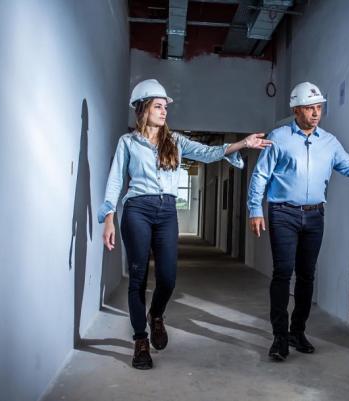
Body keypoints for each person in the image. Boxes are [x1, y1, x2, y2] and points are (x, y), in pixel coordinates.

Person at [98, 79, 271, 369]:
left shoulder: (175, 141)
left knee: (168, 278)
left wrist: (243, 143)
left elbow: (207, 152)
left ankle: (156, 315)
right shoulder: (127, 142)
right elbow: (116, 180)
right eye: (158, 106)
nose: (164, 111)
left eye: (165, 107)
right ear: (142, 108)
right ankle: (140, 341)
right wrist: (108, 218)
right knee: (138, 277)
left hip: (167, 211)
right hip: (137, 209)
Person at [247, 82, 349, 361]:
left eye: (318, 107)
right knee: (283, 273)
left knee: (307, 275)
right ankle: (279, 337)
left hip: (314, 215)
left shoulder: (329, 142)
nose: (315, 113)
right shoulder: (279, 137)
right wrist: (255, 210)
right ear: (296, 110)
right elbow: (261, 174)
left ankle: (298, 331)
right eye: (310, 108)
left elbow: (348, 167)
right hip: (282, 212)